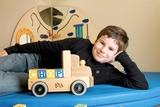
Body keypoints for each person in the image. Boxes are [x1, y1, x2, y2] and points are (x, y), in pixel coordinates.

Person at [0, 25, 148, 96]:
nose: (103, 50)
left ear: (116, 54)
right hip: (33, 60)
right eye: (102, 43)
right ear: (96, 40)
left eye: (111, 49)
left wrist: (123, 57)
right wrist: (10, 50)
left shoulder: (108, 72)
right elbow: (45, 45)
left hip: (39, 78)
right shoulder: (80, 44)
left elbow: (140, 84)